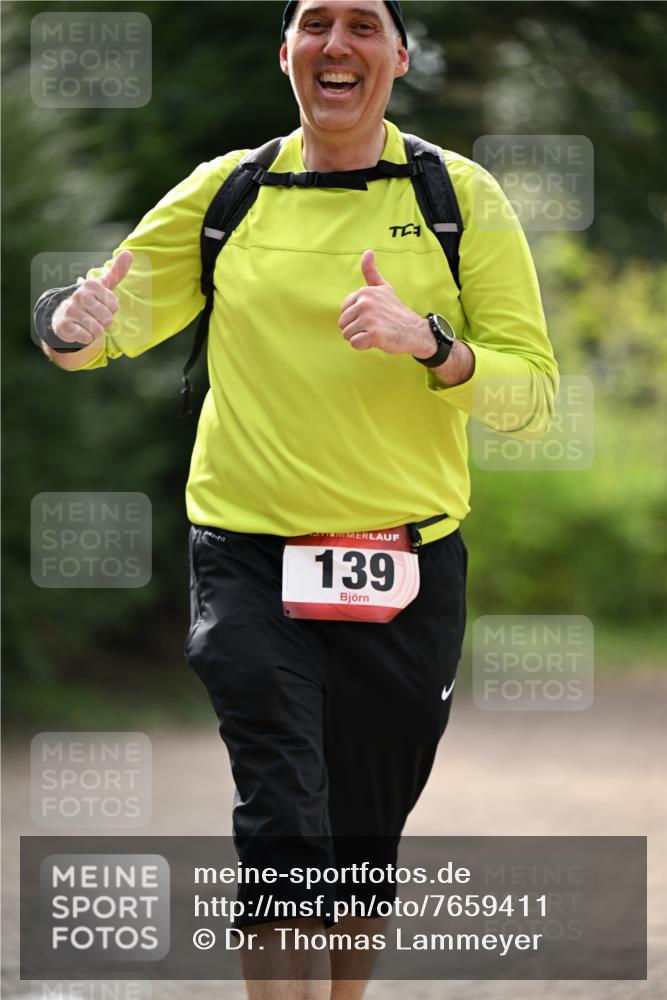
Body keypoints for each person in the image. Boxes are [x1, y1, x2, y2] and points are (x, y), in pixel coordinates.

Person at [33, 2, 559, 997]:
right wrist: (68, 321)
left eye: (364, 25)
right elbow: (92, 331)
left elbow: (532, 395)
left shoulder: (459, 198)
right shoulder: (225, 195)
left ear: (400, 56)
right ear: (286, 54)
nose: (337, 43)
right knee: (281, 816)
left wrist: (433, 346)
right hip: (247, 553)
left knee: (360, 837)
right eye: (316, 23)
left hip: (407, 562)